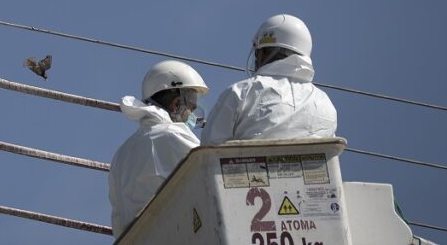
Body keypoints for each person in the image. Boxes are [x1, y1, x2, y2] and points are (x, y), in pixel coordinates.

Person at [201, 13, 337, 145]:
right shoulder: (325, 102)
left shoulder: (241, 93)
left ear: (263, 53)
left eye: (257, 54)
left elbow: (209, 152)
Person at [108, 60, 208, 235]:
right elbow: (210, 174)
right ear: (176, 104)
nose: (192, 116)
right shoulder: (172, 135)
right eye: (190, 108)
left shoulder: (121, 155)